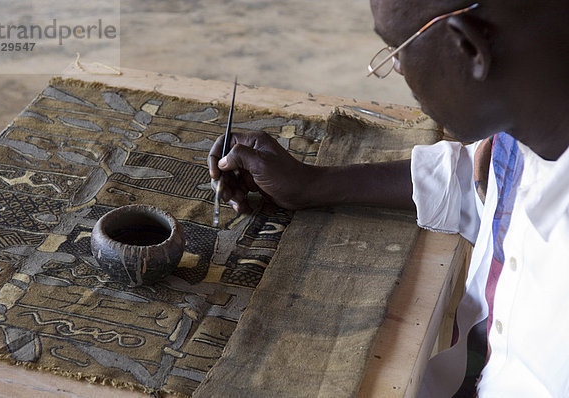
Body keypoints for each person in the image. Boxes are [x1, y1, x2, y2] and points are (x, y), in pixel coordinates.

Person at [208, 1, 569, 396]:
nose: (395, 69)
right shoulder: (539, 122)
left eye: (397, 50)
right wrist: (312, 184)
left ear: (468, 47)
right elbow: (483, 179)